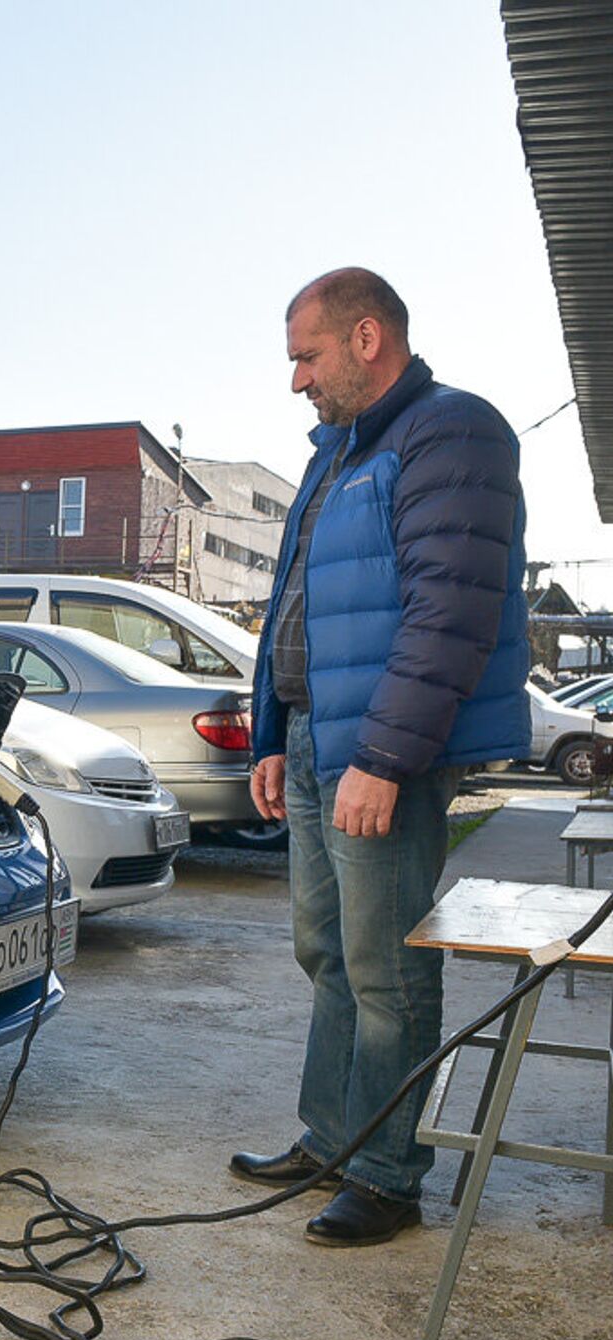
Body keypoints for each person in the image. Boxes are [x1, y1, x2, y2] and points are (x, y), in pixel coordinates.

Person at [232, 267, 530, 1245]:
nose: (293, 382)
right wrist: (274, 736)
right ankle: (328, 1136)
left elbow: (449, 610)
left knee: (382, 966)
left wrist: (386, 757)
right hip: (317, 738)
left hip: (377, 750)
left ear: (365, 339)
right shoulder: (331, 458)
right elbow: (293, 611)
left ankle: (386, 1173)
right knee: (325, 953)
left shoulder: (451, 432)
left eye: (303, 357)